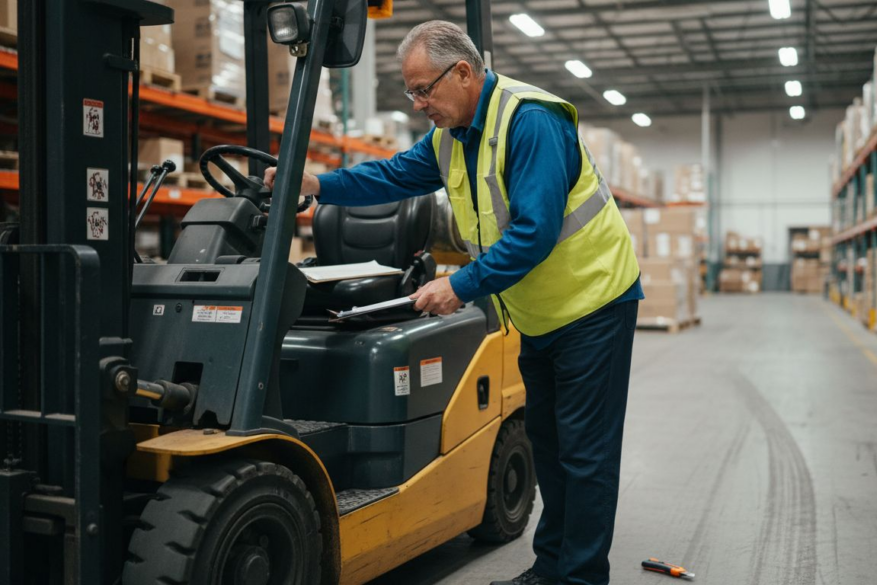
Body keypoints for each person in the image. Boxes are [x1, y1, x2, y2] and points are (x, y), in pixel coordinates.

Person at [264, 20, 642, 585]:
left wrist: (459, 285)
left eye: (424, 90)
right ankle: (551, 569)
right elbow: (392, 175)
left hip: (593, 306)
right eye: (410, 93)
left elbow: (535, 233)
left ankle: (581, 578)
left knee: (585, 456)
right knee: (550, 444)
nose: (418, 104)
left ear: (463, 72)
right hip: (540, 314)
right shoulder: (451, 136)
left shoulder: (530, 121)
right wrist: (318, 185)